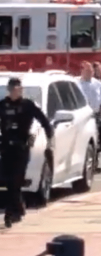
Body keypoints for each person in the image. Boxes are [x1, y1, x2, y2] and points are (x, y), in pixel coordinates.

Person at [1, 78, 53, 227]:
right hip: (6, 148)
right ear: (9, 90)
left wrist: (49, 135)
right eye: (13, 89)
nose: (15, 92)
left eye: (18, 89)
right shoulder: (3, 105)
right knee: (9, 182)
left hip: (21, 148)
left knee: (16, 180)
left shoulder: (27, 105)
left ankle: (11, 214)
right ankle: (19, 207)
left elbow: (43, 120)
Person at [77, 61, 101, 153]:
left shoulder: (98, 84)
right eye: (87, 71)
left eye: (91, 71)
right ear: (82, 71)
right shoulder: (77, 83)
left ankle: (95, 155)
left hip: (95, 114)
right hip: (82, 115)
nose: (90, 73)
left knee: (94, 136)